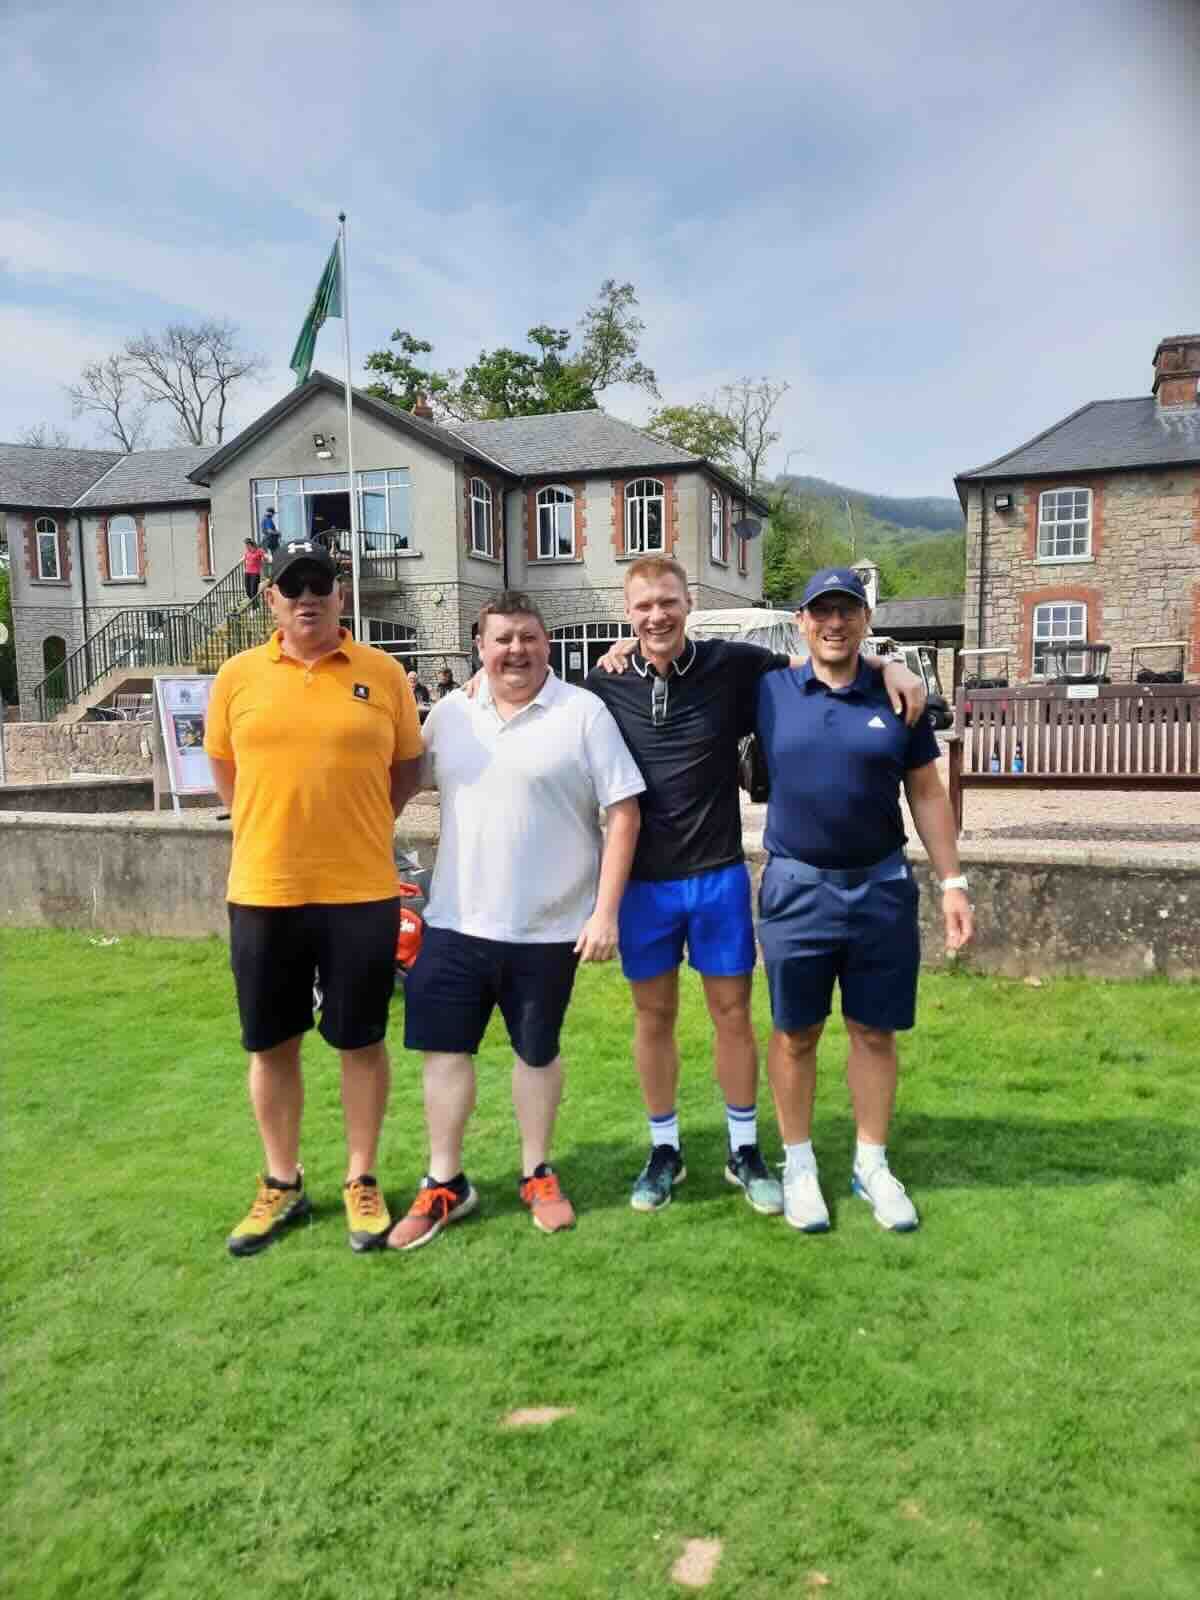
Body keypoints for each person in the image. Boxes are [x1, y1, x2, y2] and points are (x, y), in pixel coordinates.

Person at [587, 556, 925, 1218]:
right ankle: (664, 1149)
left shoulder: (735, 666)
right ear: (627, 613)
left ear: (689, 605)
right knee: (652, 1018)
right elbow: (539, 698)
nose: (657, 615)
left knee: (733, 1016)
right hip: (645, 885)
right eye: (643, 606)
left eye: (668, 602)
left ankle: (744, 1150)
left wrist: (889, 664)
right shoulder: (606, 681)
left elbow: (823, 659)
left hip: (716, 874)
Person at [388, 591, 645, 1251]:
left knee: (537, 1052)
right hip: (454, 921)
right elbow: (395, 788)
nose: (515, 650)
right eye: (501, 639)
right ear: (479, 647)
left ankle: (537, 1172)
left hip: (549, 929)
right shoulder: (451, 714)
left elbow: (624, 812)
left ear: (546, 644)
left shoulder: (582, 713)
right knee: (444, 1052)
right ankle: (446, 1182)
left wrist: (605, 912)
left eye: (528, 637)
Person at [203, 539, 424, 1257]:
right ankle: (282, 1181)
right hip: (265, 889)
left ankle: (362, 1178)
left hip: (360, 890)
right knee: (271, 1043)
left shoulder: (382, 674)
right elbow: (226, 771)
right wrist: (271, 827)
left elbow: (406, 770)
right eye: (292, 586)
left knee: (360, 1039)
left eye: (319, 584)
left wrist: (360, 824)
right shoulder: (237, 677)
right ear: (270, 597)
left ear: (340, 593)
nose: (307, 598)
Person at [755, 568, 973, 1234]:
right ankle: (798, 1165)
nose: (834, 623)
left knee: (874, 1031)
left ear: (865, 620)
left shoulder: (899, 696)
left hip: (880, 887)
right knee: (796, 1033)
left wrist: (953, 882)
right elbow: (685, 660)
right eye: (821, 611)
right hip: (797, 888)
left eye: (847, 611)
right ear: (801, 620)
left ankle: (870, 1163)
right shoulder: (770, 690)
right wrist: (626, 646)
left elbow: (927, 792)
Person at [242, 538, 264, 603]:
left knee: (253, 591)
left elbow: (264, 557)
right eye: (246, 545)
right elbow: (244, 558)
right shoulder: (247, 552)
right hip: (247, 573)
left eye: (247, 545)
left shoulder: (259, 551)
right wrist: (242, 560)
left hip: (255, 573)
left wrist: (265, 560)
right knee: (248, 590)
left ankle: (255, 605)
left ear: (250, 544)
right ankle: (253, 603)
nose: (246, 546)